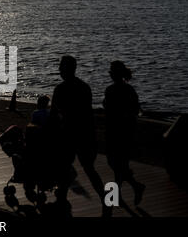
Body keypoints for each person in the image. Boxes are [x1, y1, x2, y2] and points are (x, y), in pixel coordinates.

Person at [50, 55, 107, 215]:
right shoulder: (84, 87)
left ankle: (61, 200)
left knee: (64, 168)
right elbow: (88, 115)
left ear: (67, 69)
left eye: (61, 67)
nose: (59, 70)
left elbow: (54, 115)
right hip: (85, 134)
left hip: (68, 135)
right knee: (89, 169)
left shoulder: (60, 89)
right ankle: (105, 199)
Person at [103, 61, 145, 206]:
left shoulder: (111, 90)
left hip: (117, 131)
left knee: (116, 163)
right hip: (124, 131)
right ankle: (134, 187)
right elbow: (135, 110)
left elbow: (109, 110)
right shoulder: (129, 90)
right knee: (120, 164)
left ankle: (118, 195)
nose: (109, 73)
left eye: (111, 71)